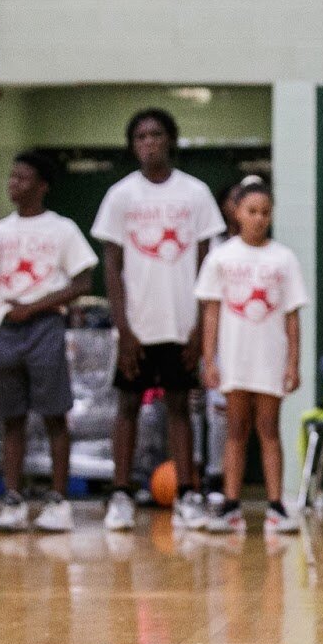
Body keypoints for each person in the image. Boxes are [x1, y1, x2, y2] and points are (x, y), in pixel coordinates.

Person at [93, 108, 226, 532]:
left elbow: (209, 263)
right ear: (133, 145)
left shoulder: (196, 194)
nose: (149, 142)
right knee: (127, 406)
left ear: (171, 139)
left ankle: (188, 494)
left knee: (180, 408)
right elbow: (111, 267)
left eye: (156, 134)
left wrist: (199, 328)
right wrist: (124, 329)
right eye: (141, 136)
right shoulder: (120, 195)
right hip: (138, 324)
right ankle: (120, 495)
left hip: (182, 322)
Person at [0, 151, 97, 532]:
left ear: (42, 186)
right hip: (5, 329)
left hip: (45, 325)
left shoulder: (61, 229)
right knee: (10, 417)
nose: (15, 184)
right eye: (12, 177)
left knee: (53, 415)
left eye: (23, 178)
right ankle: (13, 499)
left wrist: (35, 306)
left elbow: (82, 282)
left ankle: (58, 501)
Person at [196, 181, 307, 534]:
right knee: (236, 429)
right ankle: (231, 505)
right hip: (234, 357)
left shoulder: (283, 259)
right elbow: (211, 313)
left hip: (270, 357)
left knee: (269, 429)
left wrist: (293, 362)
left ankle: (276, 506)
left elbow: (292, 315)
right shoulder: (221, 257)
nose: (258, 218)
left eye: (265, 212)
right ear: (237, 213)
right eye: (251, 211)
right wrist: (209, 359)